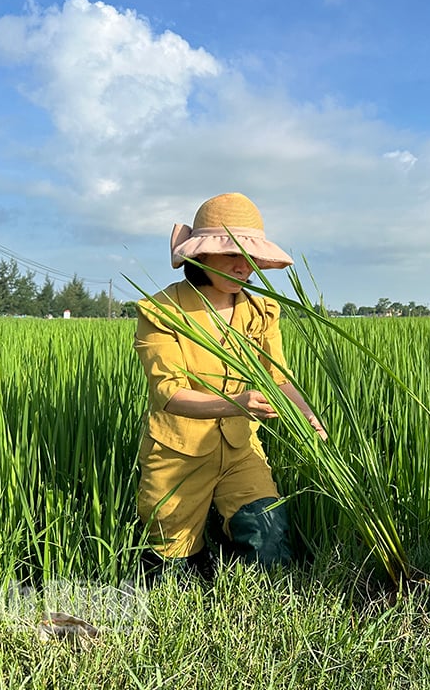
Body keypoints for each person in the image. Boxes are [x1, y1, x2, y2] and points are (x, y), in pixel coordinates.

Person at [134, 192, 324, 579]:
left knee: (267, 533)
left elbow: (277, 378)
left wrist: (306, 415)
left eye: (249, 256)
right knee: (171, 566)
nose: (244, 267)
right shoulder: (160, 311)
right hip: (177, 455)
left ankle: (257, 610)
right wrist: (237, 402)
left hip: (240, 448)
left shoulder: (261, 311)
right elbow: (168, 393)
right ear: (201, 255)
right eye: (232, 254)